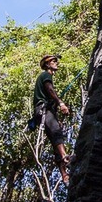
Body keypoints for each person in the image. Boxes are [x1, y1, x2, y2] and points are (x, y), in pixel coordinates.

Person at [32, 54, 71, 184]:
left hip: (44, 111)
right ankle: (65, 157)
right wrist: (61, 103)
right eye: (54, 61)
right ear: (48, 64)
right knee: (56, 132)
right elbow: (50, 90)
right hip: (43, 110)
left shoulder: (45, 76)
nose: (56, 63)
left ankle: (64, 175)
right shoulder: (45, 75)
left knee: (56, 141)